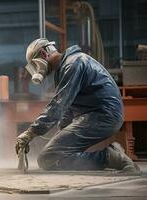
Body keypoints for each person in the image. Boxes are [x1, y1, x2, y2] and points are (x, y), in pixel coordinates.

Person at [15, 38, 140, 173]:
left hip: (103, 115)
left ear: (44, 54)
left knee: (48, 158)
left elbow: (59, 105)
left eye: (34, 65)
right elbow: (69, 108)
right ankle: (111, 155)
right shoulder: (66, 67)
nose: (37, 70)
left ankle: (111, 157)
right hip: (99, 114)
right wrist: (61, 135)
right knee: (51, 156)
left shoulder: (73, 64)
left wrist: (30, 133)